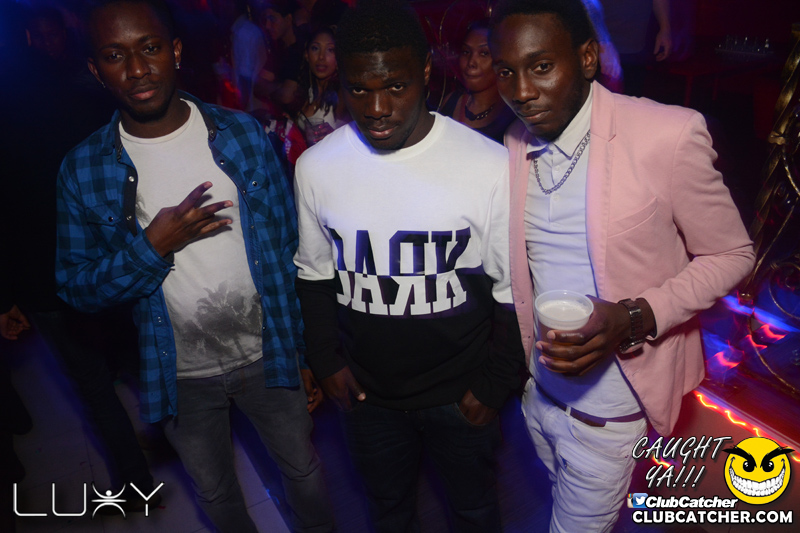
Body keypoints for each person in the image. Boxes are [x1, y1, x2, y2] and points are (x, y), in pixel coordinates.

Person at [54, 1, 334, 532]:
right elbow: (75, 288)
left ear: (176, 51)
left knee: (304, 472)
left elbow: (287, 250)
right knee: (216, 493)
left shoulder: (242, 133)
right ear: (96, 70)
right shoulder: (83, 170)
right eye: (115, 56)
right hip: (178, 375)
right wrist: (151, 247)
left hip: (268, 353)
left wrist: (302, 351)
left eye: (150, 48)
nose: (137, 69)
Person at [488, 1, 755, 531]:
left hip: (609, 416)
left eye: (541, 67)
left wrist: (634, 317)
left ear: (587, 57)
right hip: (538, 397)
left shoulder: (666, 134)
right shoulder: (515, 139)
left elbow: (733, 254)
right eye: (506, 71)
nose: (521, 91)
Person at [293, 1, 524, 531]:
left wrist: (494, 385)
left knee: (474, 512)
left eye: (395, 86)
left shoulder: (488, 165)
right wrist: (325, 361)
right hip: (367, 397)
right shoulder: (316, 167)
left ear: (424, 70)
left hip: (460, 394)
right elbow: (314, 275)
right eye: (359, 89)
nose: (377, 108)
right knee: (389, 512)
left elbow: (511, 290)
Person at [440, 20, 516, 144]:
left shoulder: (513, 112)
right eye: (466, 52)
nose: (471, 62)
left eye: (484, 53)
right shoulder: (451, 102)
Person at [296, 26, 347, 146]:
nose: (321, 57)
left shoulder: (344, 93)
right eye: (315, 48)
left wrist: (334, 136)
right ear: (307, 55)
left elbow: (360, 138)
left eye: (330, 50)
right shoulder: (306, 91)